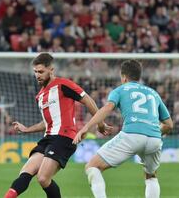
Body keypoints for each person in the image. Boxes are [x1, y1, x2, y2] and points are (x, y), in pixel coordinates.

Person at [3, 53, 112, 198]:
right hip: (48, 138)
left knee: (42, 178)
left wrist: (101, 123)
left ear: (51, 70)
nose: (37, 75)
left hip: (64, 138)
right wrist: (26, 129)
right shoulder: (40, 96)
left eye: (41, 71)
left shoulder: (63, 85)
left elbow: (87, 100)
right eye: (35, 72)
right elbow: (48, 122)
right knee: (25, 173)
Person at [73, 60, 173, 198]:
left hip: (132, 135)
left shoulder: (120, 90)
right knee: (151, 176)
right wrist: (152, 131)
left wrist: (86, 127)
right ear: (139, 76)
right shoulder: (153, 93)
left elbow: (108, 108)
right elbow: (169, 124)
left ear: (124, 77)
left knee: (92, 166)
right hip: (155, 138)